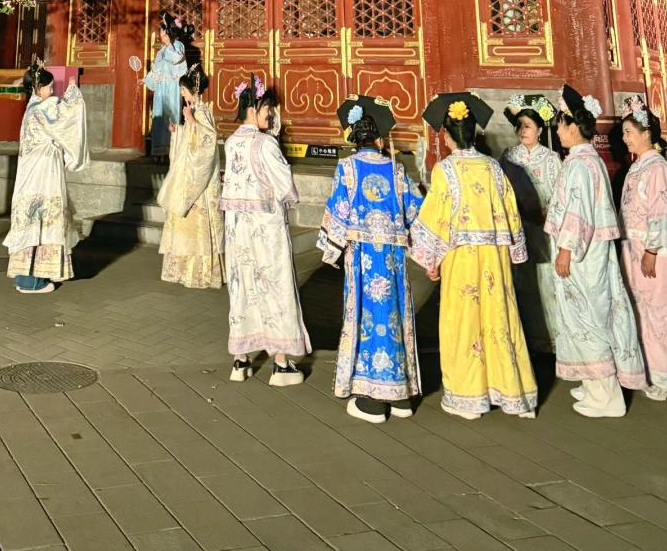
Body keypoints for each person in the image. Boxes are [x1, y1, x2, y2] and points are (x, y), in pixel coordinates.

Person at [411, 92, 537, 421]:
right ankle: (510, 392)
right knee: (499, 319)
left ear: (448, 135)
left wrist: (431, 260)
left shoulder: (445, 170)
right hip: (495, 258)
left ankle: (469, 397)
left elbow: (437, 217)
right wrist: (515, 251)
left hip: (462, 260)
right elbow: (511, 212)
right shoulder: (493, 167)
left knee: (464, 322)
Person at [318, 95, 423, 423]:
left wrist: (331, 251)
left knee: (366, 317)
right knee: (394, 316)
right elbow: (416, 211)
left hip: (362, 259)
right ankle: (401, 395)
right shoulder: (397, 170)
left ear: (355, 137)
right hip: (392, 260)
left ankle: (374, 398)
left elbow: (338, 211)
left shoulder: (347, 168)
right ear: (379, 139)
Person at [544, 83, 647, 417]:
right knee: (586, 315)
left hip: (582, 255)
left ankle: (606, 397)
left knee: (589, 318)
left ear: (574, 127)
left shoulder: (579, 164)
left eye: (560, 125)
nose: (558, 131)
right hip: (592, 252)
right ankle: (593, 384)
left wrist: (565, 249)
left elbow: (578, 212)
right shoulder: (588, 159)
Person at [221, 78, 310, 386]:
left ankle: (240, 360)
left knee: (242, 287)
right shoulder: (265, 144)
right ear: (254, 108)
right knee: (274, 287)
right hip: (265, 231)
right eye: (267, 108)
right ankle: (281, 364)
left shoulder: (231, 142)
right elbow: (286, 187)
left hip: (237, 231)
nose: (271, 114)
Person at [619, 94, 667, 401]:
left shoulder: (657, 169)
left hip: (657, 255)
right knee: (648, 313)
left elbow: (664, 214)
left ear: (646, 134)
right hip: (638, 251)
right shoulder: (639, 167)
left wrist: (651, 252)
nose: (625, 139)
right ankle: (656, 374)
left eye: (629, 132)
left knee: (664, 312)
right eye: (624, 133)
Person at [2, 63, 89, 294]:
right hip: (42, 176)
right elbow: (69, 117)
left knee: (31, 222)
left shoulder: (32, 109)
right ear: (38, 88)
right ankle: (33, 281)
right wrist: (73, 92)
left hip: (31, 175)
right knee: (41, 220)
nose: (52, 91)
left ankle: (25, 277)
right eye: (49, 87)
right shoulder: (42, 110)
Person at [500, 95, 560, 353]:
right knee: (522, 282)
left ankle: (551, 339)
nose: (523, 131)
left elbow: (561, 195)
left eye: (528, 126)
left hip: (544, 228)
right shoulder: (508, 158)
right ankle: (526, 341)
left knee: (546, 282)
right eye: (520, 126)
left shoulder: (551, 159)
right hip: (518, 227)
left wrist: (547, 211)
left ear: (539, 130)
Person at [157, 67, 225, 289]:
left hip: (200, 182)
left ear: (191, 90)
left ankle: (200, 273)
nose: (182, 94)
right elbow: (190, 140)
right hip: (188, 175)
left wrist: (193, 122)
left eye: (183, 90)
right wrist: (178, 132)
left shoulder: (203, 111)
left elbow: (208, 141)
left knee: (197, 224)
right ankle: (182, 269)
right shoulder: (194, 110)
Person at [144, 12, 189, 161]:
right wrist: (145, 80)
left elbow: (176, 59)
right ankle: (158, 151)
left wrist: (170, 44)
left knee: (172, 117)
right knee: (159, 119)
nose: (161, 36)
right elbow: (156, 70)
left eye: (163, 33)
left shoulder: (178, 46)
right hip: (161, 89)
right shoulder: (160, 52)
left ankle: (172, 150)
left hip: (172, 87)